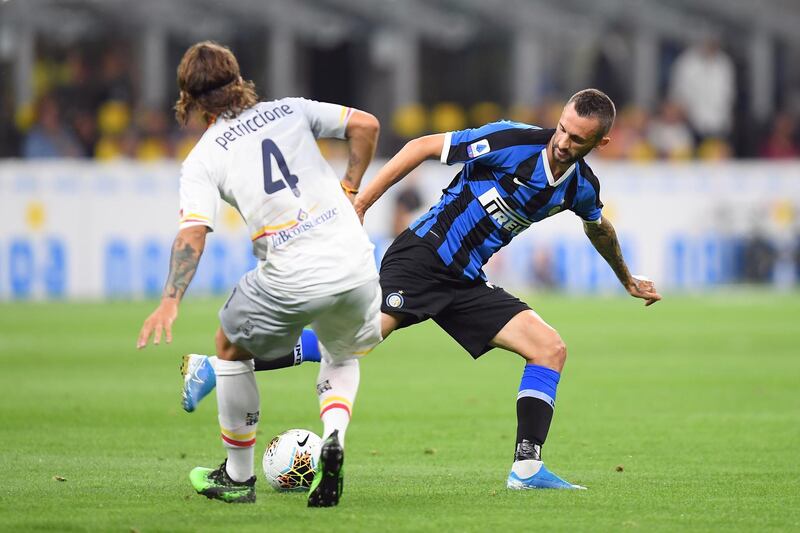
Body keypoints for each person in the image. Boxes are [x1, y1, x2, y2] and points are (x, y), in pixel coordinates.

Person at [183, 88, 662, 490]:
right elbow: (421, 147)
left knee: (549, 348)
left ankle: (527, 466)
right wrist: (363, 201)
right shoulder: (511, 140)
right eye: (561, 128)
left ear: (600, 142)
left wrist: (626, 279)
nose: (562, 141)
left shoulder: (579, 185)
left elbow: (599, 228)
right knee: (357, 341)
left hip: (466, 280)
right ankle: (221, 364)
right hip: (423, 256)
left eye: (576, 138)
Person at [136, 41, 382, 507]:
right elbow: (366, 125)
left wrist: (170, 299)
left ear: (188, 98)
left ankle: (237, 476)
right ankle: (334, 437)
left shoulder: (203, 159)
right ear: (238, 79)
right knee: (341, 352)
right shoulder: (290, 109)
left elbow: (193, 235)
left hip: (292, 270)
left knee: (229, 345)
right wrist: (350, 187)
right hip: (355, 260)